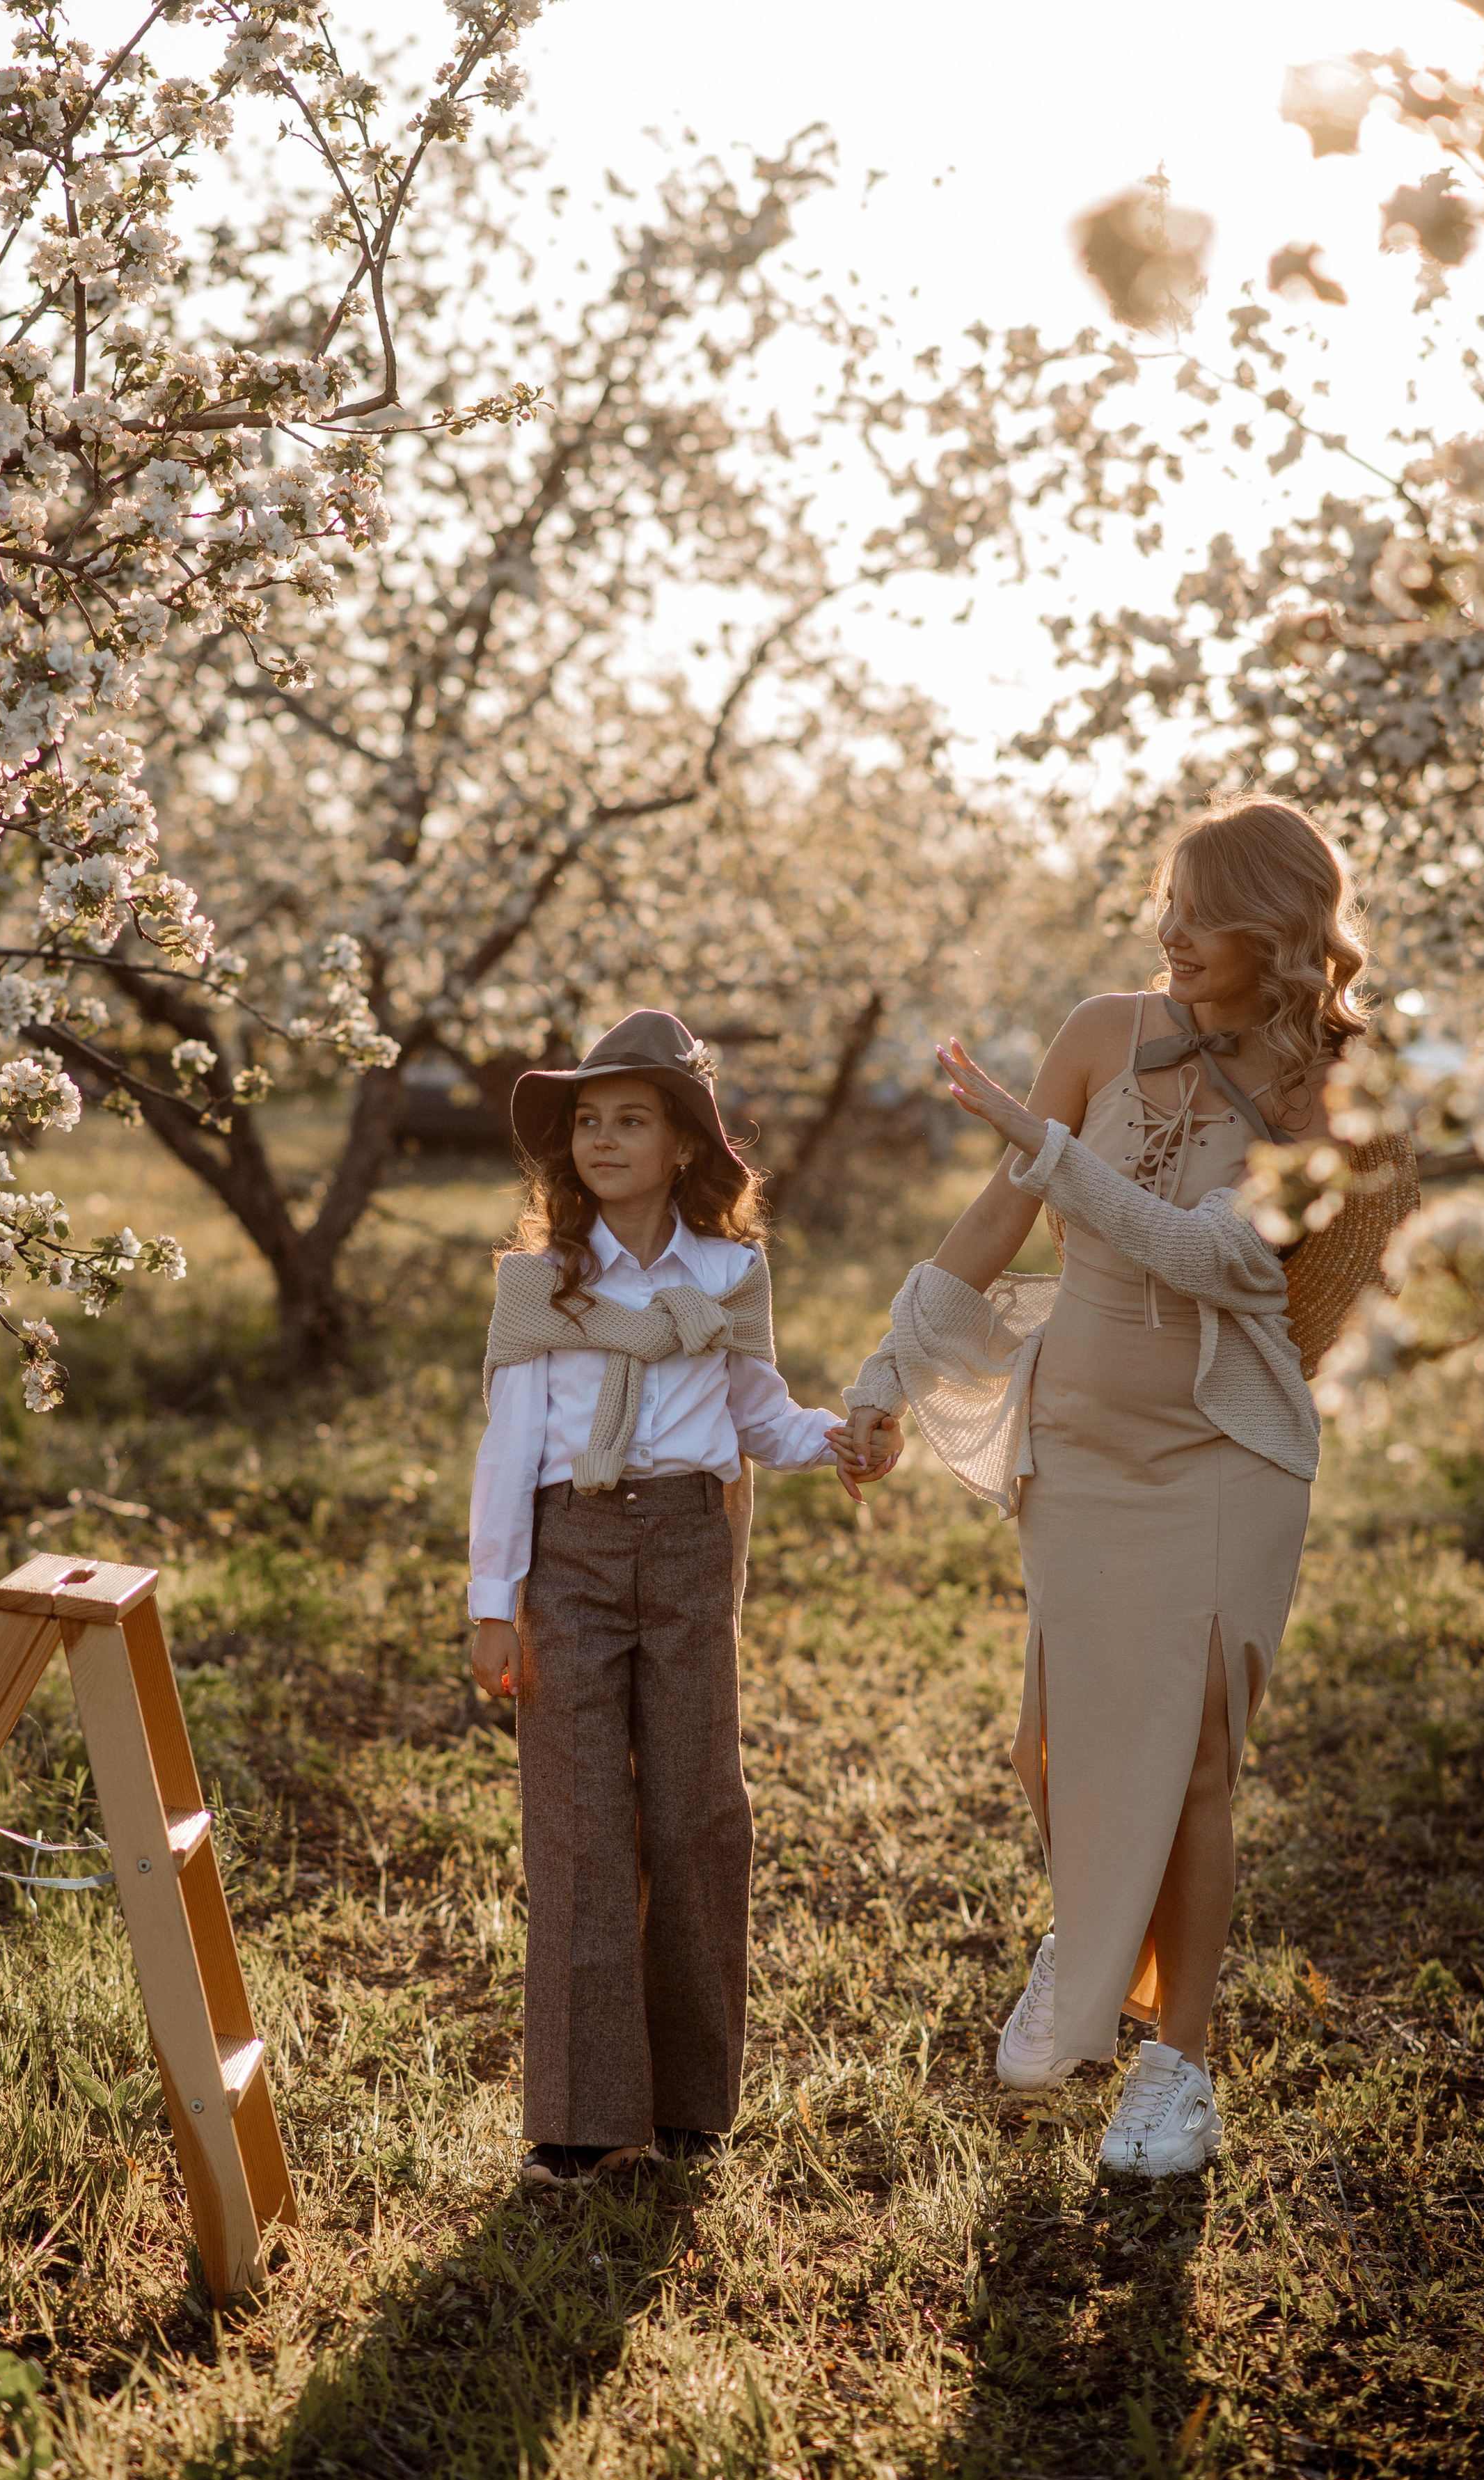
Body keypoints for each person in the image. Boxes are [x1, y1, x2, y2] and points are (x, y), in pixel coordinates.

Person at [834, 796, 1417, 2178]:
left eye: (1199, 913)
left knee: (1196, 1761)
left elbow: (1210, 1259)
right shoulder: (1100, 1030)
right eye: (1163, 902)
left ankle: (1176, 2064)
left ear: (1276, 932)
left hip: (1221, 1463)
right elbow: (1000, 1214)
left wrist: (1045, 1152)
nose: (1168, 932)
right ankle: (1087, 1935)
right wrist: (882, 1372)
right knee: (1052, 1747)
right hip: (1080, 1454)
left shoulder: (1324, 1089)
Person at [468, 1009, 891, 2193]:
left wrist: (838, 1442)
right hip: (573, 1555)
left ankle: (694, 2099)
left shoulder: (728, 1274)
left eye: (631, 1120)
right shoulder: (537, 1285)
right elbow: (506, 1452)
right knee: (579, 1819)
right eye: (588, 1122)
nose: (605, 1139)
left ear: (685, 1145)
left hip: (692, 1552)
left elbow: (758, 1415)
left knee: (698, 1813)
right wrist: (493, 1598)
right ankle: (583, 2114)